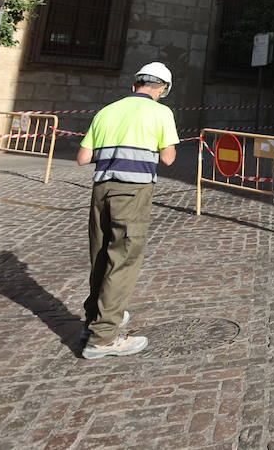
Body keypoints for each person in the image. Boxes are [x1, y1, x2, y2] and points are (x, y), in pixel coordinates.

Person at [77, 62, 179, 359]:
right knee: (122, 260)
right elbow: (169, 158)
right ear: (161, 88)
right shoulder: (161, 112)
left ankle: (93, 319)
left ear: (135, 84)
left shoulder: (106, 111)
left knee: (99, 255)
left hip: (101, 190)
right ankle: (103, 337)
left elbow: (83, 157)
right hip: (132, 192)